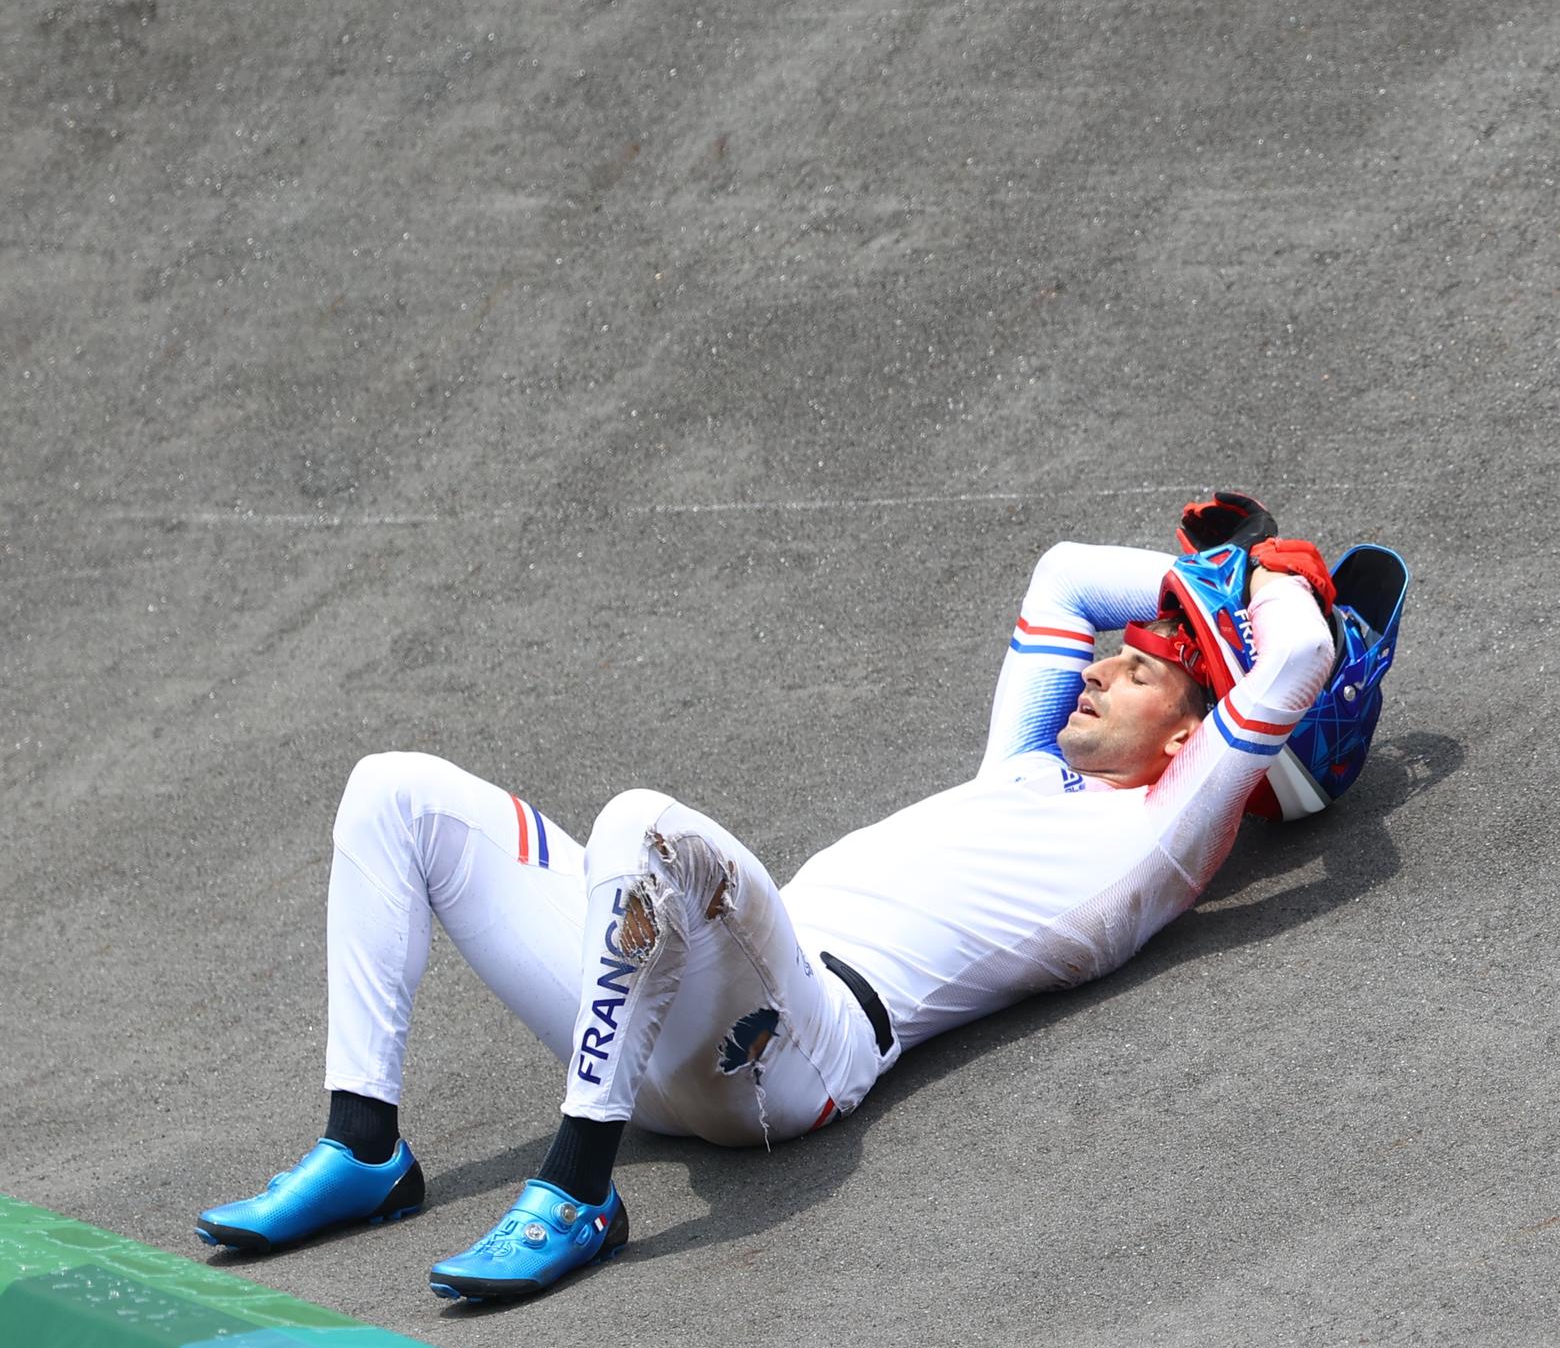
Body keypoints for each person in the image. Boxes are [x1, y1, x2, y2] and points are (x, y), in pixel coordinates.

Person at [197, 498, 1351, 1300]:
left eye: (1140, 668)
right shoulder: (1023, 762)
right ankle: (364, 1148)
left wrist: (1269, 575)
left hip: (795, 1055)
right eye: (1107, 657)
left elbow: (1292, 665)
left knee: (641, 821)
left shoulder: (1151, 847)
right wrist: (1192, 578)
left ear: (1197, 734)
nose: (1095, 667)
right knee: (392, 789)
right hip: (668, 1009)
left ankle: (577, 1191)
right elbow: (1060, 572)